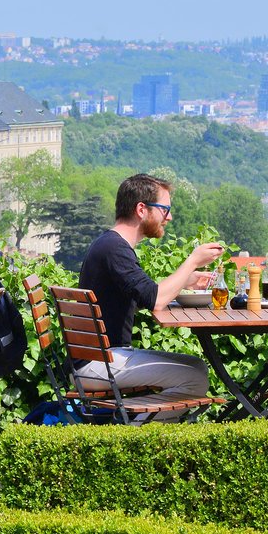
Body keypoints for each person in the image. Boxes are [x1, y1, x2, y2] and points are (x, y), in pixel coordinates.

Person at [77, 173, 221, 412]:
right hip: (98, 362)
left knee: (197, 367)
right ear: (142, 209)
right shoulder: (115, 249)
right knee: (195, 378)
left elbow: (146, 293)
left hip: (101, 357)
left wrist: (186, 279)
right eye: (165, 209)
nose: (169, 217)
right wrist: (192, 261)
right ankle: (139, 434)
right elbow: (156, 300)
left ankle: (137, 425)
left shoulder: (110, 245)